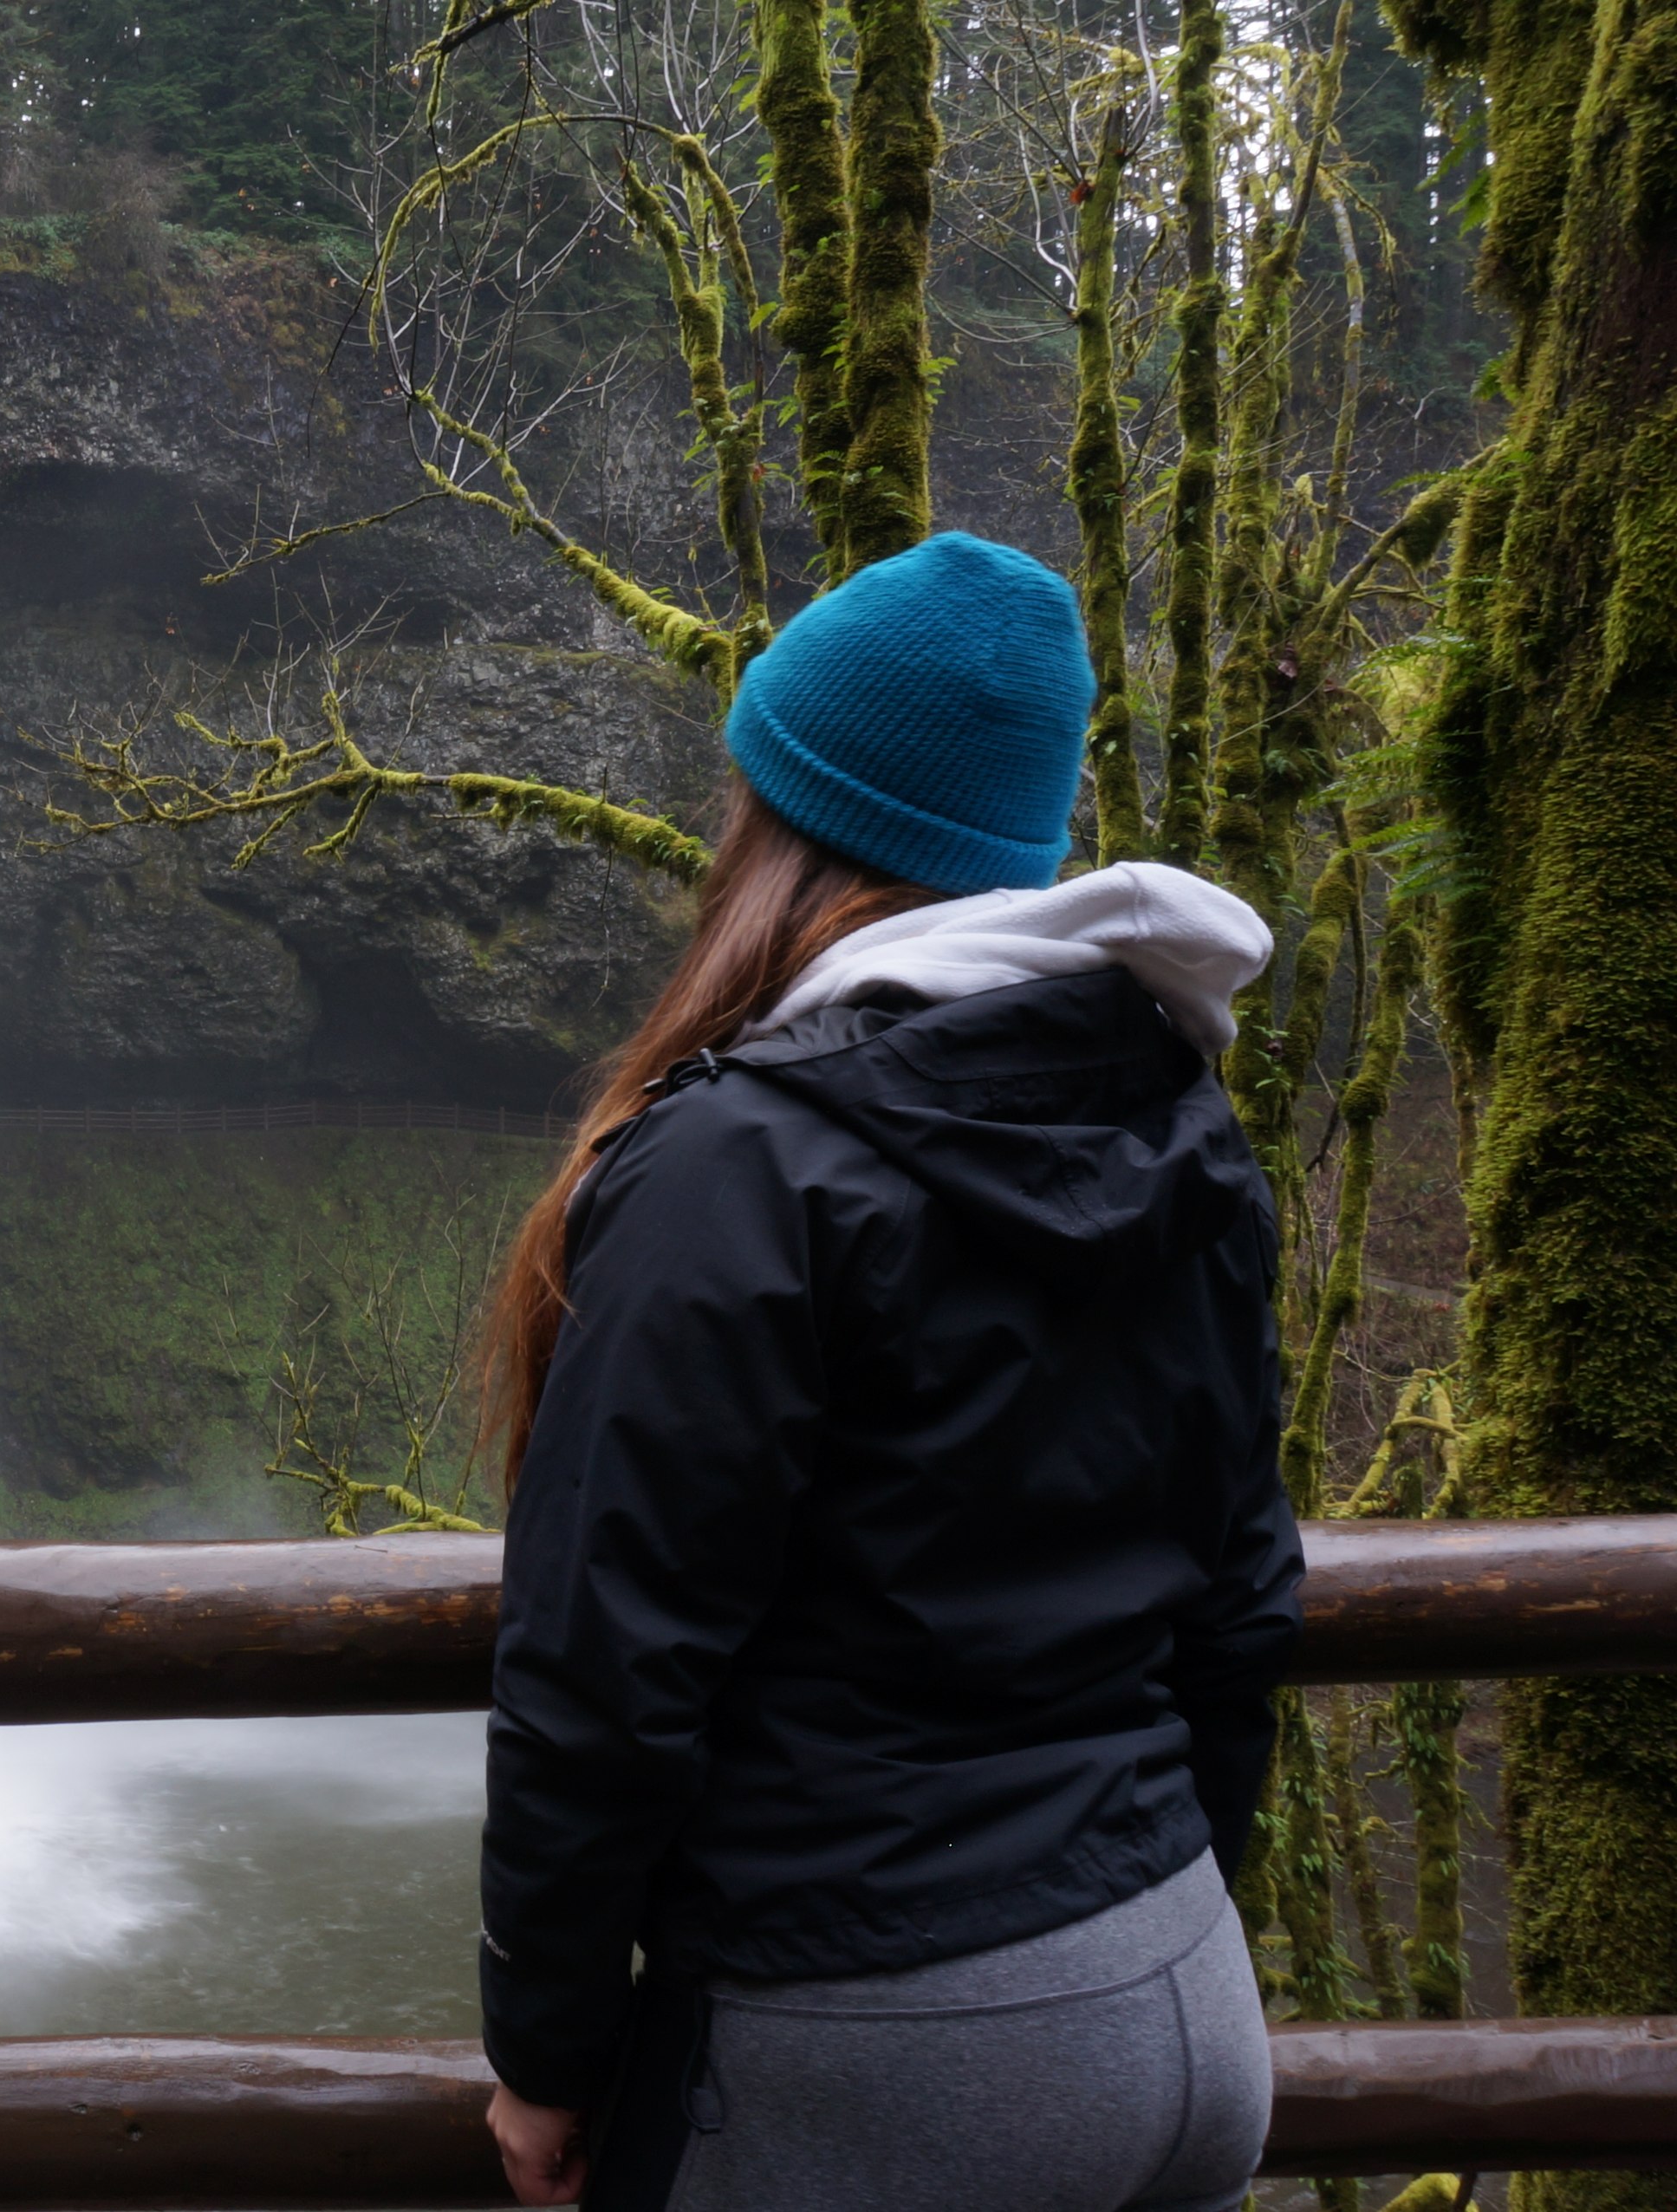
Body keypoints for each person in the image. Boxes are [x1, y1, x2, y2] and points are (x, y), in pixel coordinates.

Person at [475, 532, 1303, 2212]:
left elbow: (606, 1665)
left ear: (783, 827)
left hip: (886, 2045)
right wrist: (1140, 1920)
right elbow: (1241, 1603)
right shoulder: (1174, 1122)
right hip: (1177, 1993)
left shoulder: (742, 1165)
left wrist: (547, 2050)